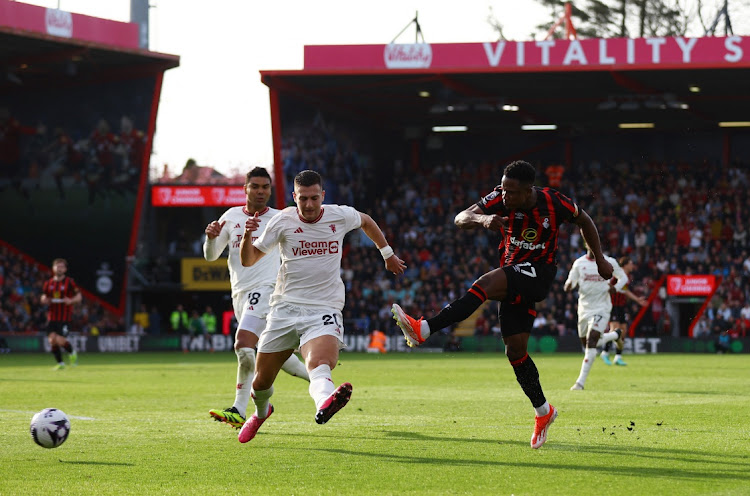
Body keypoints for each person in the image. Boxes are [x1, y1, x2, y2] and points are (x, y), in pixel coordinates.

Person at [391, 160, 613, 449]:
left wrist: (600, 258)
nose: (504, 197)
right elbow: (460, 217)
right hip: (514, 277)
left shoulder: (554, 202)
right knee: (515, 352)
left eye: (511, 192)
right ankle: (544, 412)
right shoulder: (499, 197)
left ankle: (425, 328)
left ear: (528, 190)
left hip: (539, 274)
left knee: (485, 283)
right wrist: (482, 219)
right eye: (503, 190)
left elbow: (585, 220)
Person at [236, 169, 405, 443]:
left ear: (323, 196)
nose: (310, 204)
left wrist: (387, 254)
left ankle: (325, 403)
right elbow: (248, 259)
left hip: (323, 308)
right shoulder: (282, 221)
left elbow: (366, 221)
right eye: (303, 199)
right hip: (284, 309)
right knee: (261, 383)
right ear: (294, 197)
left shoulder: (339, 215)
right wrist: (246, 236)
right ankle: (261, 412)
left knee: (320, 362)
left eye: (315, 198)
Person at [204, 167, 310, 430]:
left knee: (243, 344)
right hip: (241, 293)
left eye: (265, 187)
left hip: (268, 290)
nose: (260, 191)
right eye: (255, 186)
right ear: (246, 189)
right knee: (276, 354)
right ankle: (321, 379)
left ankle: (239, 408)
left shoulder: (281, 217)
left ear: (270, 190)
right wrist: (210, 239)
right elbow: (210, 255)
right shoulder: (231, 217)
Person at [564, 240, 628, 391]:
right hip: (584, 308)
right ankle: (615, 336)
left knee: (592, 341)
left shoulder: (609, 262)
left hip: (602, 307)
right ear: (586, 245)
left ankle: (580, 383)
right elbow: (570, 281)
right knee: (586, 342)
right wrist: (568, 286)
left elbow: (623, 277)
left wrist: (616, 287)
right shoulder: (579, 263)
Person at [600, 256, 648, 366]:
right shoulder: (617, 274)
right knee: (614, 329)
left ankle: (618, 356)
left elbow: (625, 291)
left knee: (623, 330)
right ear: (625, 265)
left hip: (621, 306)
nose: (632, 265)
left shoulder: (627, 276)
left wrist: (637, 300)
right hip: (612, 305)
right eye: (631, 263)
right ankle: (605, 352)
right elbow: (608, 284)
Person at [40, 258, 81, 370]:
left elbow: (79, 296)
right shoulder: (48, 283)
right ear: (53, 268)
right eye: (57, 266)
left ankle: (72, 353)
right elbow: (44, 296)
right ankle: (61, 363)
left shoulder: (70, 282)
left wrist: (71, 300)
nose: (59, 268)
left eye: (62, 266)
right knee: (52, 340)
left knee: (60, 340)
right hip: (52, 317)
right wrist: (44, 299)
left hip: (65, 318)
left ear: (65, 269)